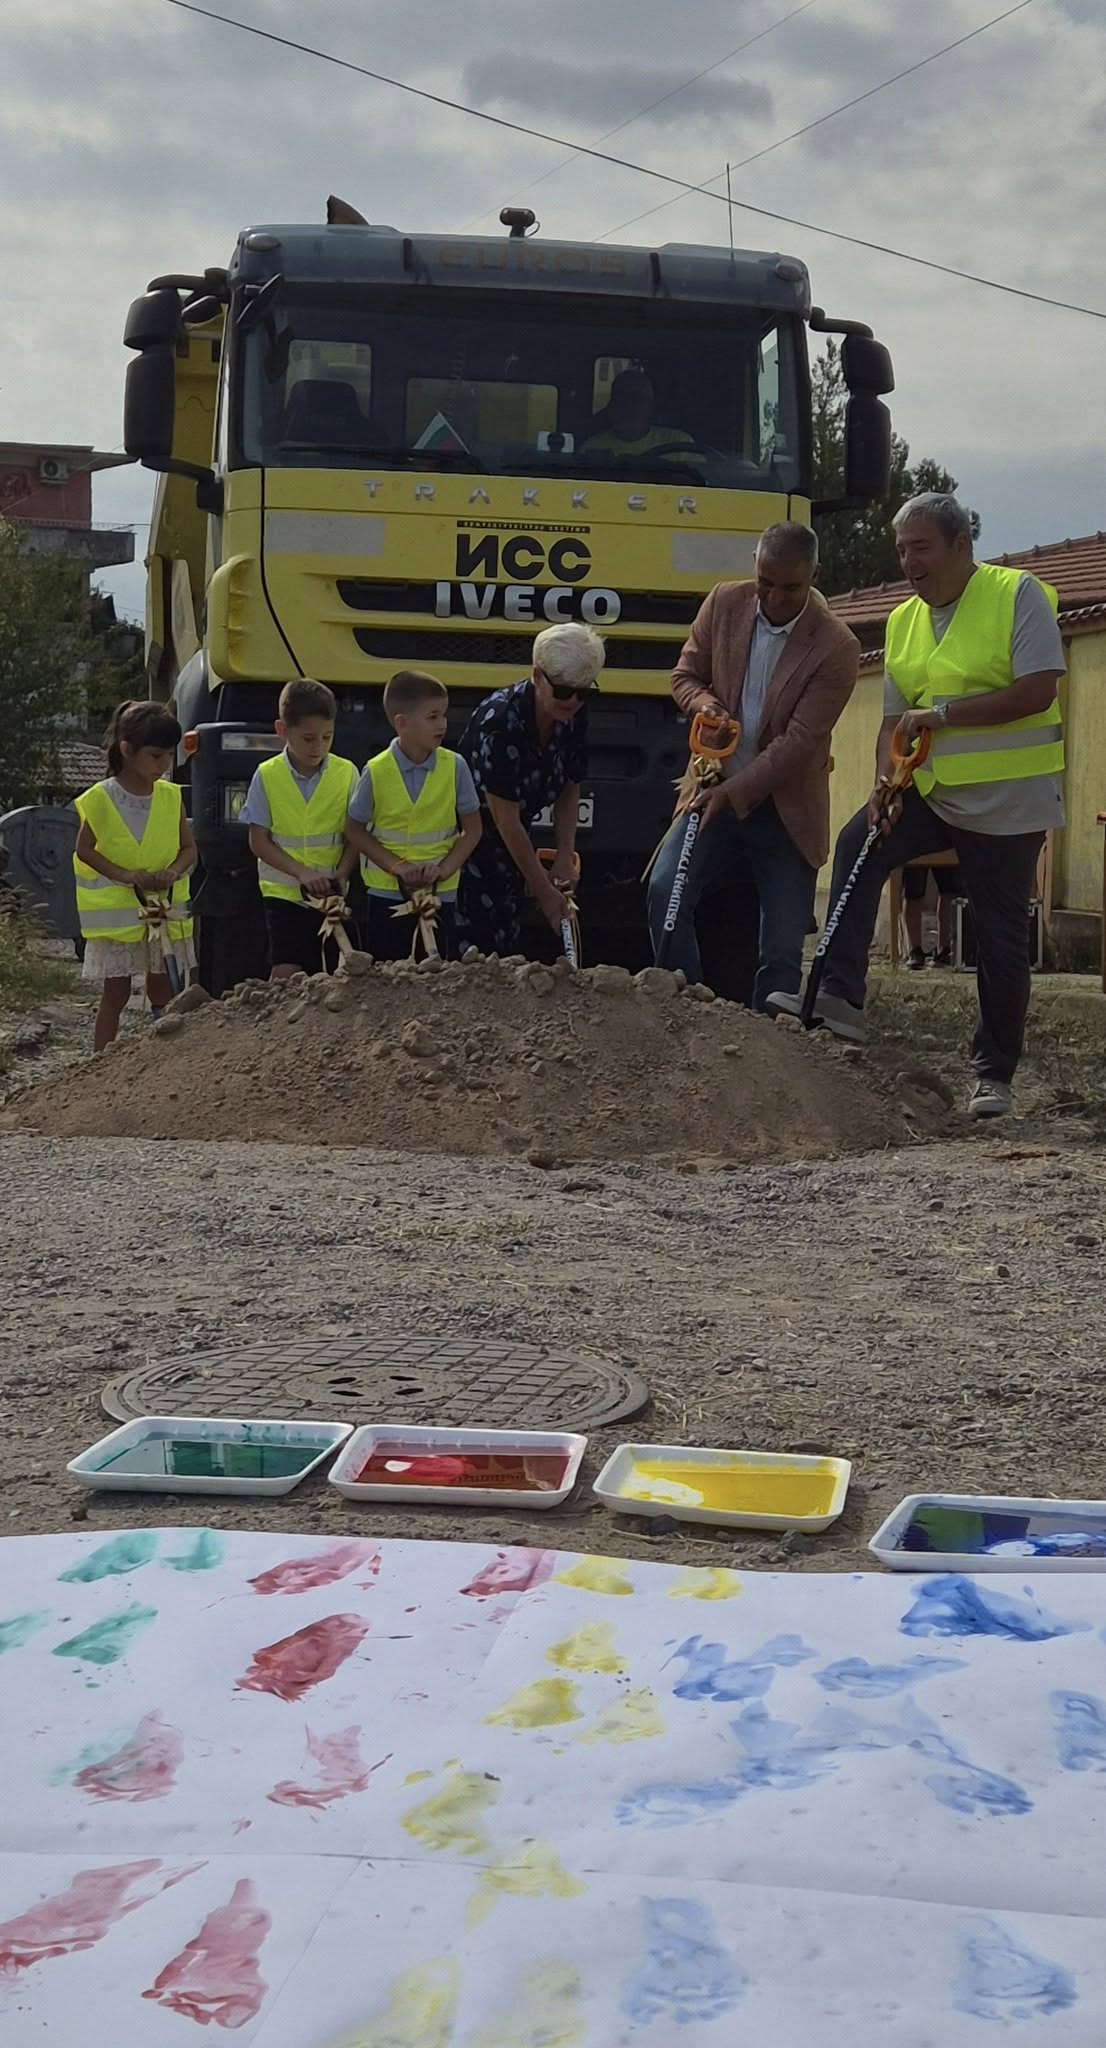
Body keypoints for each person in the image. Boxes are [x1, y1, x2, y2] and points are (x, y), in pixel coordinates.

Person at [772, 492, 1064, 1119]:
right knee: (858, 842)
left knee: (999, 936)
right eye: (902, 550)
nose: (909, 562)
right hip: (931, 791)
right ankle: (839, 1000)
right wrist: (885, 784)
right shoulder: (903, 620)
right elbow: (893, 722)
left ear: (961, 545)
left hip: (1009, 801)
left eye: (921, 548)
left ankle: (994, 1075)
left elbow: (1038, 692)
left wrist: (943, 716)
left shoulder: (1018, 595)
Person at [647, 523, 859, 1011]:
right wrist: (704, 705)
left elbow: (799, 742)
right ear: (754, 568)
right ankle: (688, 1011)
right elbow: (684, 675)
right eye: (765, 583)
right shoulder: (724, 602)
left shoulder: (837, 646)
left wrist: (734, 792)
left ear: (814, 577)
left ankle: (772, 1040)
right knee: (665, 891)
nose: (774, 598)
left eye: (790, 588)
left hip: (787, 811)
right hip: (711, 788)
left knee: (782, 949)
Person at [457, 623, 604, 957]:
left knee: (508, 945)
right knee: (478, 950)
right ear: (538, 677)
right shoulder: (499, 723)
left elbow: (570, 783)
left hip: (512, 843)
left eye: (584, 692)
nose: (574, 702)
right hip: (471, 843)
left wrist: (565, 855)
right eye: (563, 692)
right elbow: (504, 819)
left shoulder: (573, 713)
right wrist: (543, 890)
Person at [73, 700, 196, 1051]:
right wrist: (125, 875)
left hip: (163, 909)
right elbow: (85, 849)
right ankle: (99, 1062)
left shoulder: (170, 796)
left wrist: (172, 872)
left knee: (163, 986)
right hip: (119, 916)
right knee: (116, 991)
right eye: (156, 756)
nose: (164, 764)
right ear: (127, 750)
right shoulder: (101, 798)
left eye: (169, 755)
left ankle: (163, 1057)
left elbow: (189, 848)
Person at [344, 669, 482, 959]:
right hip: (387, 894)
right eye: (432, 717)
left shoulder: (455, 766)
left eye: (443, 715)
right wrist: (398, 868)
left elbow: (473, 829)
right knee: (389, 973)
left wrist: (444, 870)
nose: (442, 724)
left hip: (440, 894)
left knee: (438, 975)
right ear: (402, 723)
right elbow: (354, 829)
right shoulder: (376, 770)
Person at [239, 679, 359, 980]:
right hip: (283, 894)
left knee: (329, 972)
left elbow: (355, 836)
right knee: (286, 969)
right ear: (282, 730)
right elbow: (258, 841)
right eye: (308, 738)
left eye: (327, 737)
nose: (318, 746)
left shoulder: (347, 773)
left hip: (331, 895)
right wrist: (301, 873)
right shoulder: (267, 775)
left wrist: (343, 874)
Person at [583, 369, 697, 469]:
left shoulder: (681, 445)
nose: (631, 405)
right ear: (613, 404)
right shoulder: (591, 449)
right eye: (624, 397)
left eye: (639, 398)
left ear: (651, 405)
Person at [903, 861, 958, 968]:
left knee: (949, 892)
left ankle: (944, 950)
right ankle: (916, 951)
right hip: (914, 852)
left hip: (944, 851)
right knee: (913, 893)